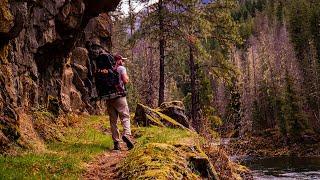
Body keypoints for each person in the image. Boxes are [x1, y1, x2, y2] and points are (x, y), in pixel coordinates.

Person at [104, 54, 134, 151]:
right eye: (122, 60)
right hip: (119, 96)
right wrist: (126, 79)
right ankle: (127, 134)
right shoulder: (121, 68)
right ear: (119, 60)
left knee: (113, 121)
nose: (123, 61)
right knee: (125, 117)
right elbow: (125, 80)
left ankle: (116, 143)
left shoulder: (106, 69)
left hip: (108, 98)